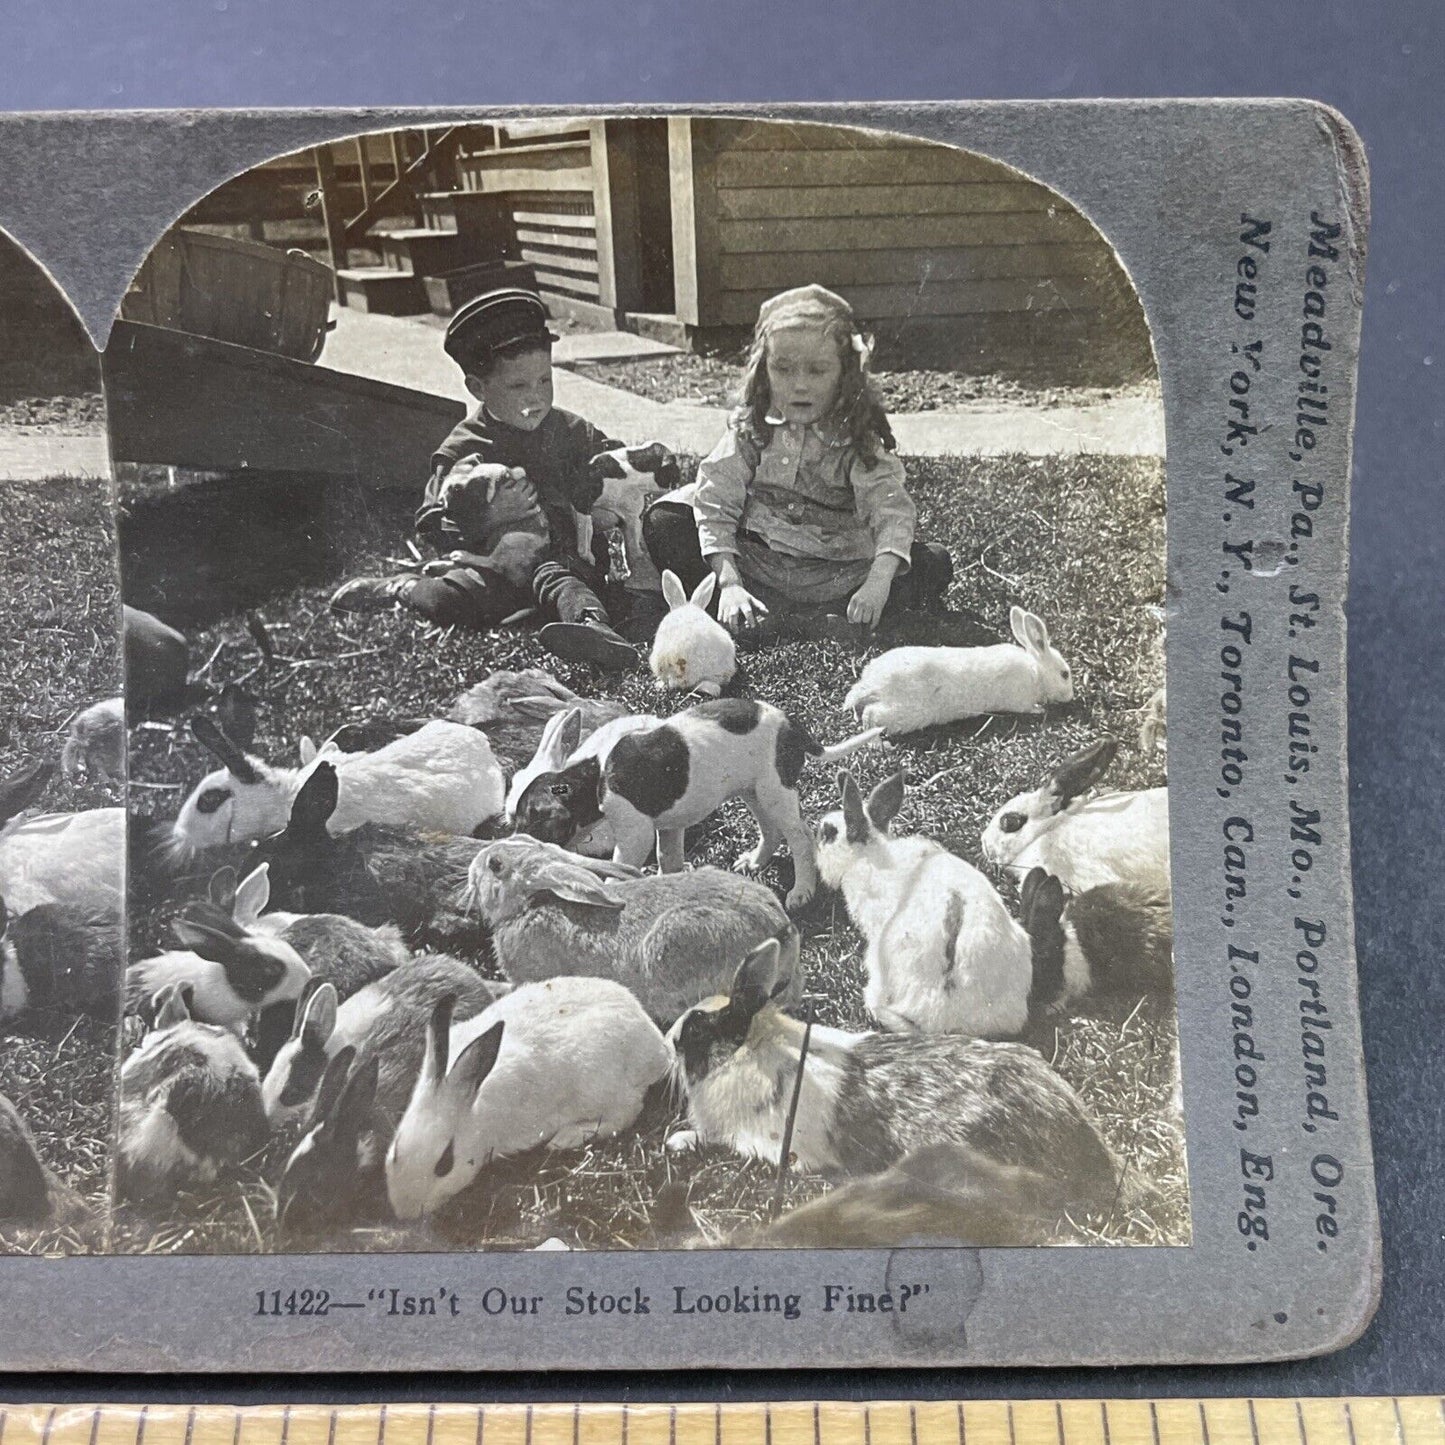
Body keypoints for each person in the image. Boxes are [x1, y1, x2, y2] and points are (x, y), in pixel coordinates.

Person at [330, 286, 655, 671]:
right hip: (493, 567)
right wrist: (489, 516)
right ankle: (402, 587)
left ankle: (592, 630)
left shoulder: (571, 429)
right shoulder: (465, 447)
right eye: (517, 386)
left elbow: (613, 466)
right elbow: (433, 522)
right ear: (477, 388)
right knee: (447, 601)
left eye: (544, 381)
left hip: (565, 560)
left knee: (566, 585)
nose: (535, 398)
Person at [642, 284, 953, 640]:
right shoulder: (753, 426)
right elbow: (716, 497)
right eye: (784, 369)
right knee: (665, 521)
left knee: (932, 562)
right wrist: (729, 582)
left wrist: (878, 582)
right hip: (757, 559)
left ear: (845, 374)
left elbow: (892, 513)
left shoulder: (858, 438)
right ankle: (768, 610)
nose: (799, 385)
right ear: (764, 371)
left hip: (834, 569)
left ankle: (797, 616)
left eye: (817, 370)